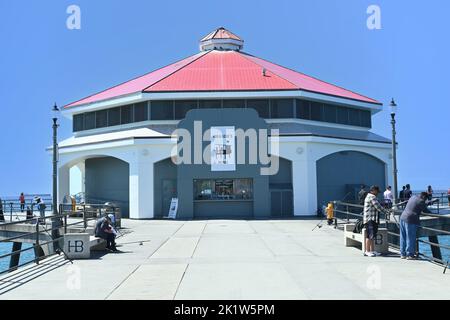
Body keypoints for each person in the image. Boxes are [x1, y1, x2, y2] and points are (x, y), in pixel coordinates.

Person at [400, 192, 431, 260]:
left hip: (402, 217)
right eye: (425, 199)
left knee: (403, 237)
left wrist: (425, 204)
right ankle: (410, 255)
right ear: (424, 197)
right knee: (410, 238)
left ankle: (402, 254)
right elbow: (425, 210)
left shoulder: (413, 197)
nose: (425, 200)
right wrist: (430, 209)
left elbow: (416, 205)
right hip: (410, 220)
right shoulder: (421, 201)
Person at [363, 185, 388, 257]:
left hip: (371, 219)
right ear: (373, 190)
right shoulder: (372, 197)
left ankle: (372, 250)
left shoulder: (369, 196)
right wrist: (386, 211)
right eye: (377, 191)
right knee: (369, 235)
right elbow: (378, 206)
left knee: (372, 235)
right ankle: (367, 251)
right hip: (370, 219)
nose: (378, 193)